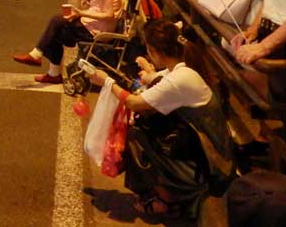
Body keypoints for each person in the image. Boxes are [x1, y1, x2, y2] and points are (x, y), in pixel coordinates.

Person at [89, 20, 233, 220]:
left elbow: (133, 102)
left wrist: (106, 81)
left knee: (135, 134)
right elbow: (157, 80)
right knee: (144, 126)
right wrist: (148, 70)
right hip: (206, 147)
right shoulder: (182, 69)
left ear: (154, 50)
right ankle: (167, 193)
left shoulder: (179, 79)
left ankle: (166, 199)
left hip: (210, 162)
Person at [12, 0, 122, 82]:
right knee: (54, 32)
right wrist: (87, 0)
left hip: (98, 31)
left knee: (57, 21)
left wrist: (80, 13)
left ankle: (38, 57)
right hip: (95, 26)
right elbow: (99, 7)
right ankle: (51, 71)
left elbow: (109, 14)